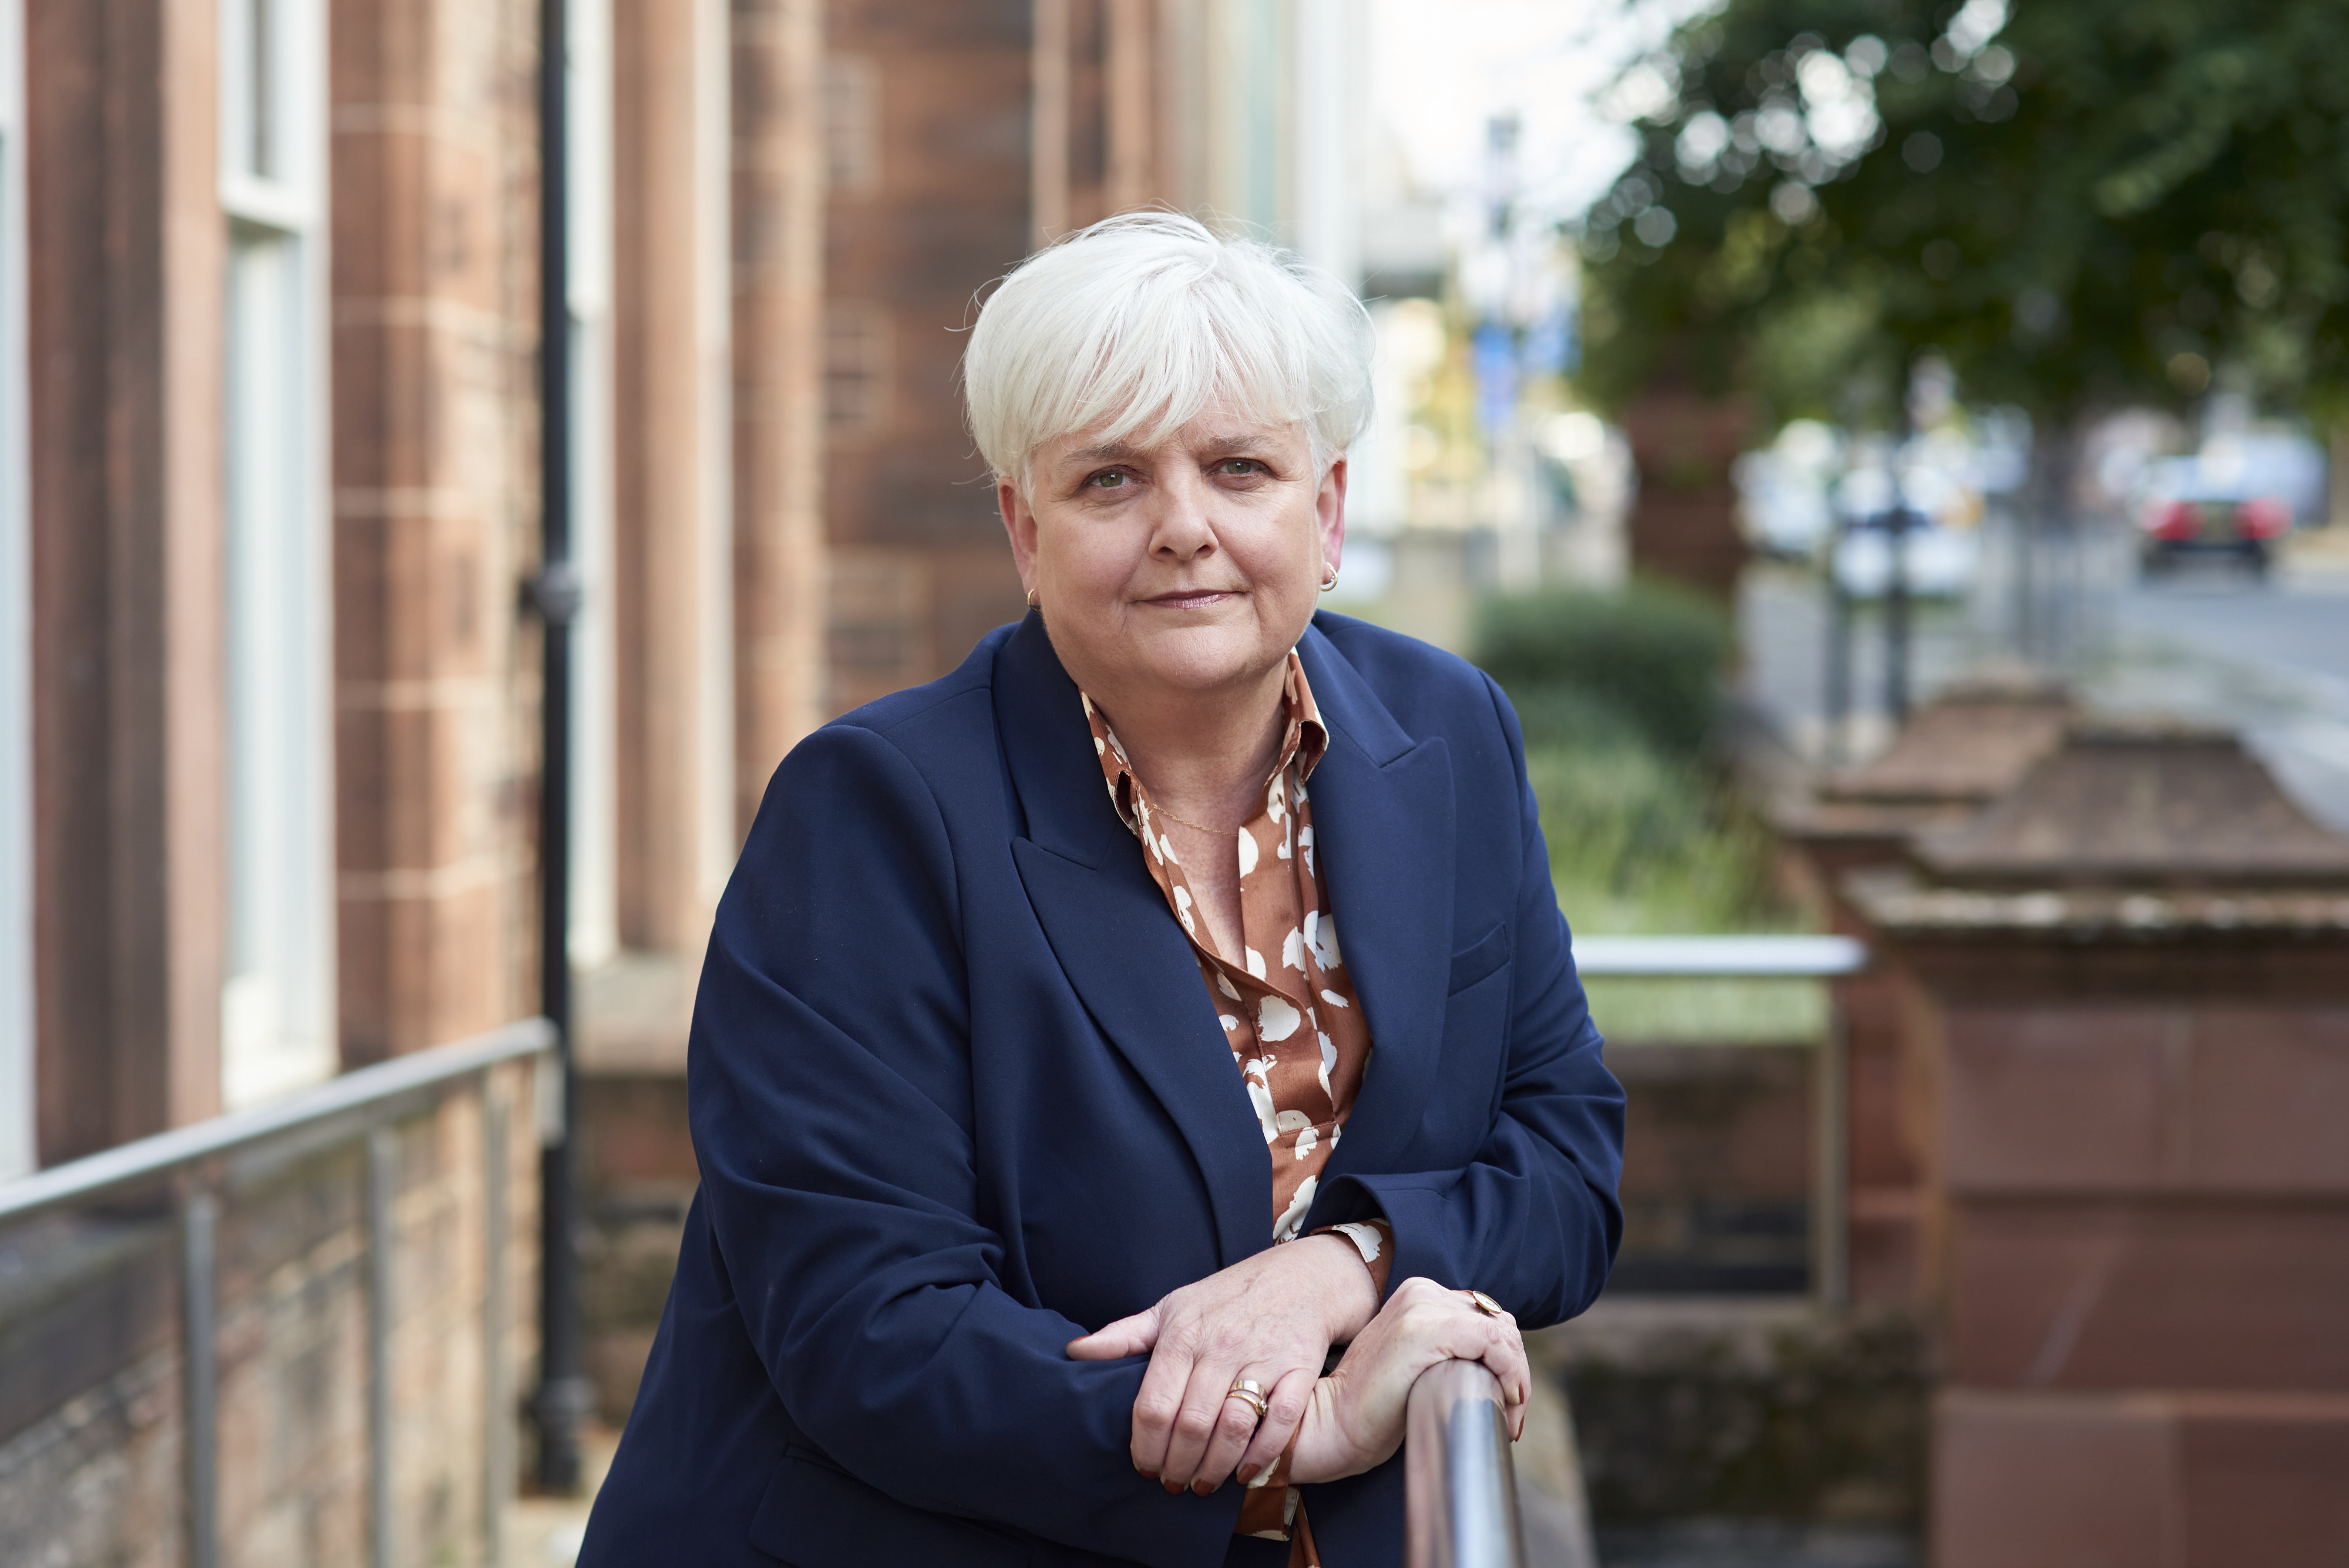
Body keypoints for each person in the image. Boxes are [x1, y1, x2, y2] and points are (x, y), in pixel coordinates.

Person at [578, 212, 1624, 1568]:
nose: (1183, 526)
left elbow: (1562, 1158)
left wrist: (1339, 1262)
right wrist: (1295, 1426)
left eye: (1239, 468)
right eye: (1110, 481)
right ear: (1025, 528)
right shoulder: (872, 811)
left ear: (1327, 511)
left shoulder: (1448, 731)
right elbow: (870, 1329)